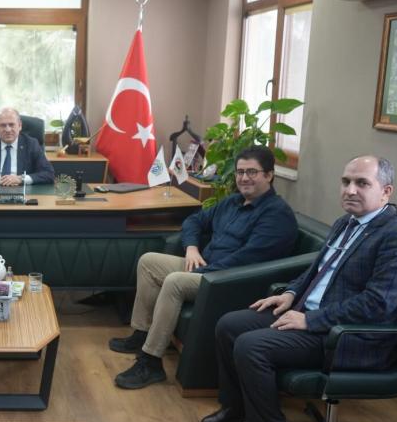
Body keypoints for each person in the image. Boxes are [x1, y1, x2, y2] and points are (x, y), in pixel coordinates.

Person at [200, 155, 397, 422]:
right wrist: (290, 293)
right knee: (230, 325)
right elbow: (318, 270)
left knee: (251, 346)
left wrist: (310, 321)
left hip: (351, 336)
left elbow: (378, 304)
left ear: (386, 191)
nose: (350, 190)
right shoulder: (346, 223)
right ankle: (236, 410)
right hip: (313, 316)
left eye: (362, 183)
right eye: (346, 181)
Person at [109, 145, 298, 389]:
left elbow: (248, 260)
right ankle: (142, 333)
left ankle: (151, 362)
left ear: (269, 175)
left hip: (228, 279)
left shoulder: (276, 215)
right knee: (149, 262)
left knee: (175, 281)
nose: (244, 178)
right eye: (240, 172)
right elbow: (194, 221)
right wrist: (191, 248)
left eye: (252, 172)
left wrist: (201, 272)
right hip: (206, 266)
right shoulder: (232, 202)